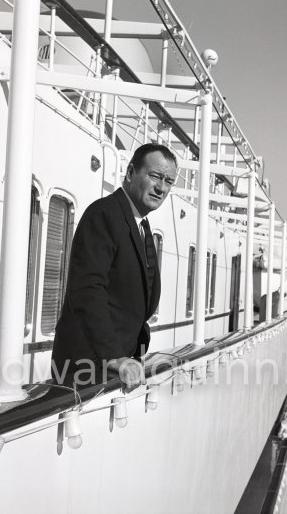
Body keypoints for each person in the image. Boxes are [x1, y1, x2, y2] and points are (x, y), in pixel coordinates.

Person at [51, 143, 177, 391]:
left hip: (116, 367)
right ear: (131, 173)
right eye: (155, 176)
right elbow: (87, 288)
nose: (161, 188)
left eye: (169, 181)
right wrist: (114, 357)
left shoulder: (140, 225)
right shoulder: (104, 215)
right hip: (88, 369)